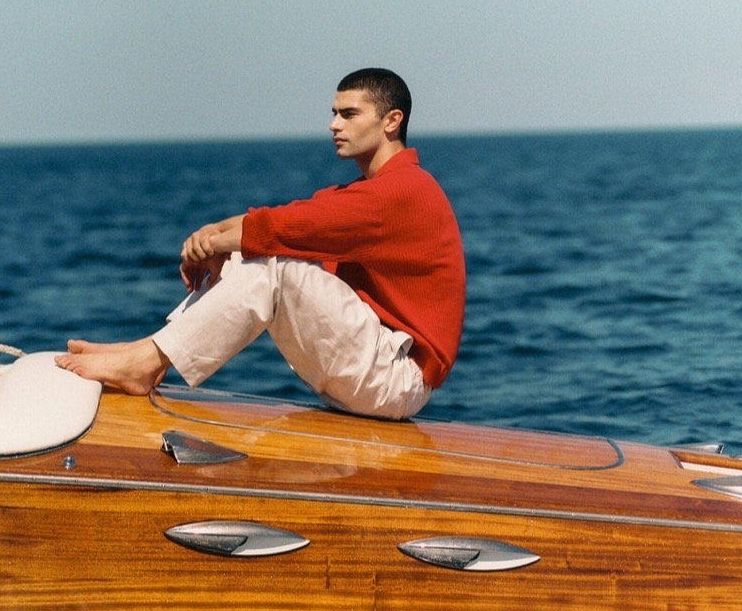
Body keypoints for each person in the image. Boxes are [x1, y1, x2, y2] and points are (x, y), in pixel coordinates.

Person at [55, 68, 465, 420]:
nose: (333, 125)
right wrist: (216, 233)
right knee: (250, 255)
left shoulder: (403, 192)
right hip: (376, 369)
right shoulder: (374, 192)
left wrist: (219, 240)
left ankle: (144, 362)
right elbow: (292, 214)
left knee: (274, 264)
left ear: (391, 121)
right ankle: (147, 354)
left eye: (348, 114)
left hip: (395, 379)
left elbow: (291, 227)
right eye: (333, 113)